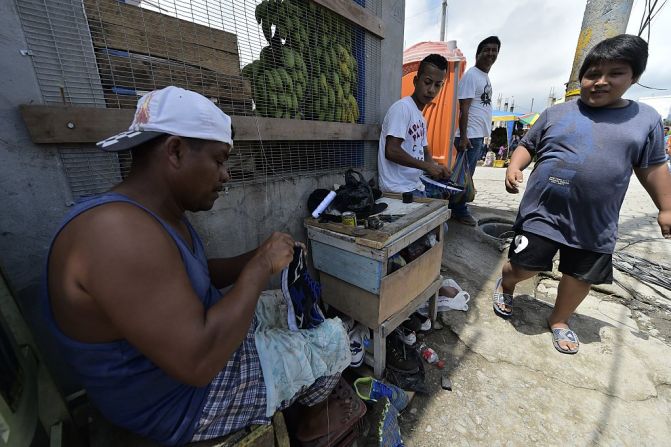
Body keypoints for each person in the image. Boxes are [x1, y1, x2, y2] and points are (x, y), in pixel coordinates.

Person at [42, 87, 348, 445]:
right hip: (177, 403)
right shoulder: (116, 234)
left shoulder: (157, 214)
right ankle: (312, 423)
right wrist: (261, 265)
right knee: (330, 340)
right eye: (219, 160)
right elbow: (199, 364)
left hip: (180, 363)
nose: (226, 175)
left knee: (294, 308)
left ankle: (297, 398)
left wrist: (258, 256)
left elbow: (195, 275)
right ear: (175, 151)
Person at [494, 35, 671, 355]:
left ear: (634, 78)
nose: (600, 82)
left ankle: (560, 319)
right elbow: (527, 145)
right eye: (592, 73)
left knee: (580, 276)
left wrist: (666, 208)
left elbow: (653, 167)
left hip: (595, 222)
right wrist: (514, 167)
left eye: (615, 73)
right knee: (524, 266)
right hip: (542, 212)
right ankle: (506, 285)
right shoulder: (555, 114)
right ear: (581, 77)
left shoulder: (645, 120)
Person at [378, 53, 451, 197]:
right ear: (416, 81)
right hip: (398, 189)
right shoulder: (402, 108)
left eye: (438, 85)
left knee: (449, 197)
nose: (431, 90)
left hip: (415, 185)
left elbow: (424, 152)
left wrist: (438, 169)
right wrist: (427, 166)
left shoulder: (420, 118)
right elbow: (391, 150)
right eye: (427, 82)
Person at [449, 36, 501, 225]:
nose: (491, 54)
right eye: (486, 50)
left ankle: (453, 207)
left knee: (465, 175)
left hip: (476, 135)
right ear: (478, 53)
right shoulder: (472, 75)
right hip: (469, 136)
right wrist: (463, 136)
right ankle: (459, 210)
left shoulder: (484, 77)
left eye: (494, 51)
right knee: (464, 177)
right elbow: (464, 108)